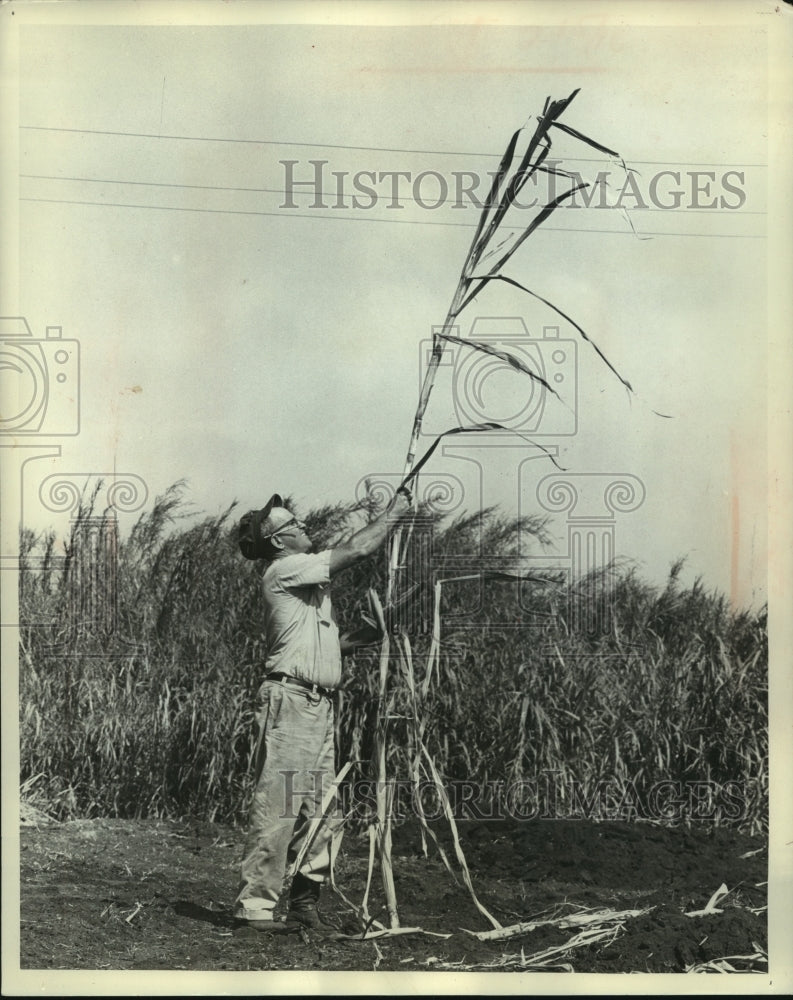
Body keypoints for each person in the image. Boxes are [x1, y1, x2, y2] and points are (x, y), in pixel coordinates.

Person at [233, 487, 412, 932]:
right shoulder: (284, 570)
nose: (304, 527)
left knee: (323, 808)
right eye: (294, 525)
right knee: (281, 803)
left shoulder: (309, 592)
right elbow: (358, 548)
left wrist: (367, 637)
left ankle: (304, 902)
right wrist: (394, 513)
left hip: (318, 705)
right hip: (292, 702)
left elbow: (328, 647)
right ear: (278, 541)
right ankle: (256, 906)